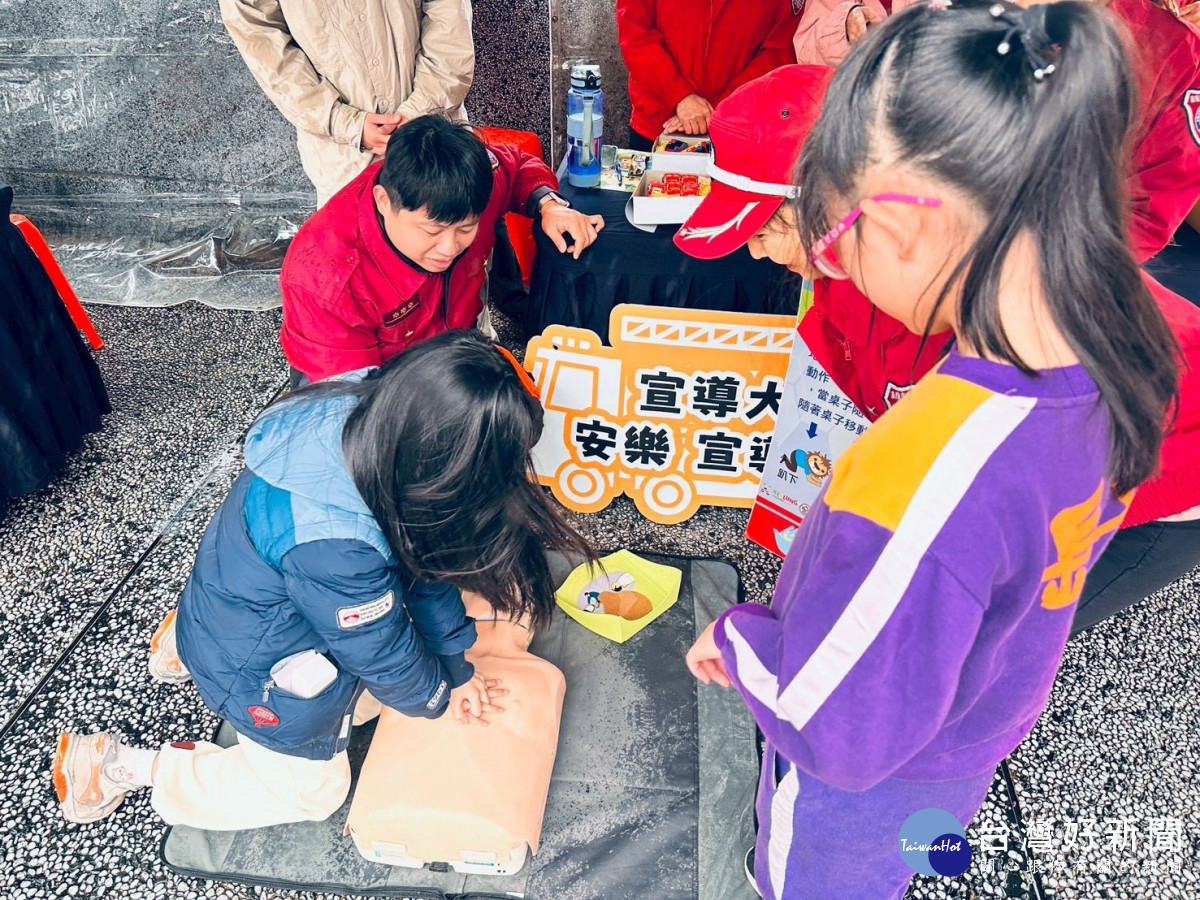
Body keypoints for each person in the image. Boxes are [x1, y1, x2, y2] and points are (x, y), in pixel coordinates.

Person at [684, 3, 1180, 898]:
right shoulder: (1111, 354)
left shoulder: (924, 471)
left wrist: (739, 637)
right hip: (970, 734)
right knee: (914, 851)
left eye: (836, 237)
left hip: (856, 791)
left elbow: (836, 728)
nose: (833, 268)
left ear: (900, 225)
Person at [677, 64, 1200, 639]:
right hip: (1042, 445)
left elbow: (977, 500)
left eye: (761, 232)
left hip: (1153, 454)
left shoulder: (976, 301)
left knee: (1002, 636)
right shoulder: (858, 265)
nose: (756, 255)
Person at [53, 331, 597, 827]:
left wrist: (455, 668)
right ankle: (123, 766)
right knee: (314, 792)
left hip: (252, 605)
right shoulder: (336, 546)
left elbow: (424, 566)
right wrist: (437, 695)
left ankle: (187, 639)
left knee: (385, 689)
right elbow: (379, 649)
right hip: (255, 659)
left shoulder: (369, 414)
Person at [794, 0, 1200, 264]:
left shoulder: (1173, 52)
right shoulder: (959, 16)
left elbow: (1148, 212)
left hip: (1061, 288)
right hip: (924, 263)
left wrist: (1043, 268)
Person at [279, 115, 604, 384]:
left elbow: (517, 166)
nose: (449, 248)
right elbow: (348, 403)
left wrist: (548, 204)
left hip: (455, 344)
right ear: (383, 201)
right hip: (370, 385)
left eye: (466, 229)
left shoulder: (475, 186)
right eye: (431, 231)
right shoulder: (325, 279)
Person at [219, 0, 475, 206]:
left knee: (455, 244)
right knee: (355, 253)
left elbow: (449, 19)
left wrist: (421, 109)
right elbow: (259, 37)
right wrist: (342, 121)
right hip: (345, 158)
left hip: (436, 142)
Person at [615, 0, 799, 150]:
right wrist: (679, 96)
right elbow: (635, 35)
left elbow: (778, 51)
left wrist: (723, 107)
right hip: (658, 122)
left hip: (738, 129)